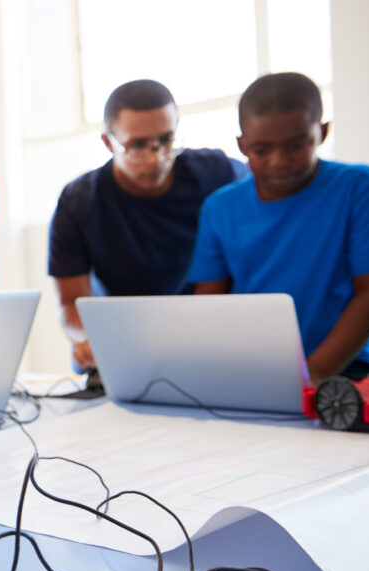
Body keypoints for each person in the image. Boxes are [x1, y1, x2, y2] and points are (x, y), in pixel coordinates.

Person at [189, 72, 369, 384]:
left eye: (296, 146)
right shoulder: (218, 208)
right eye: (262, 150)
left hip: (343, 367)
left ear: (322, 132)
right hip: (253, 371)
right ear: (242, 145)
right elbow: (210, 302)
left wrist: (313, 373)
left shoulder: (361, 187)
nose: (279, 161)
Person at [48, 79, 247, 371]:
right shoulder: (79, 200)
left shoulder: (218, 174)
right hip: (115, 348)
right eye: (138, 146)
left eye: (166, 140)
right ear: (108, 142)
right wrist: (91, 340)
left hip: (202, 342)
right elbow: (69, 305)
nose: (157, 159)